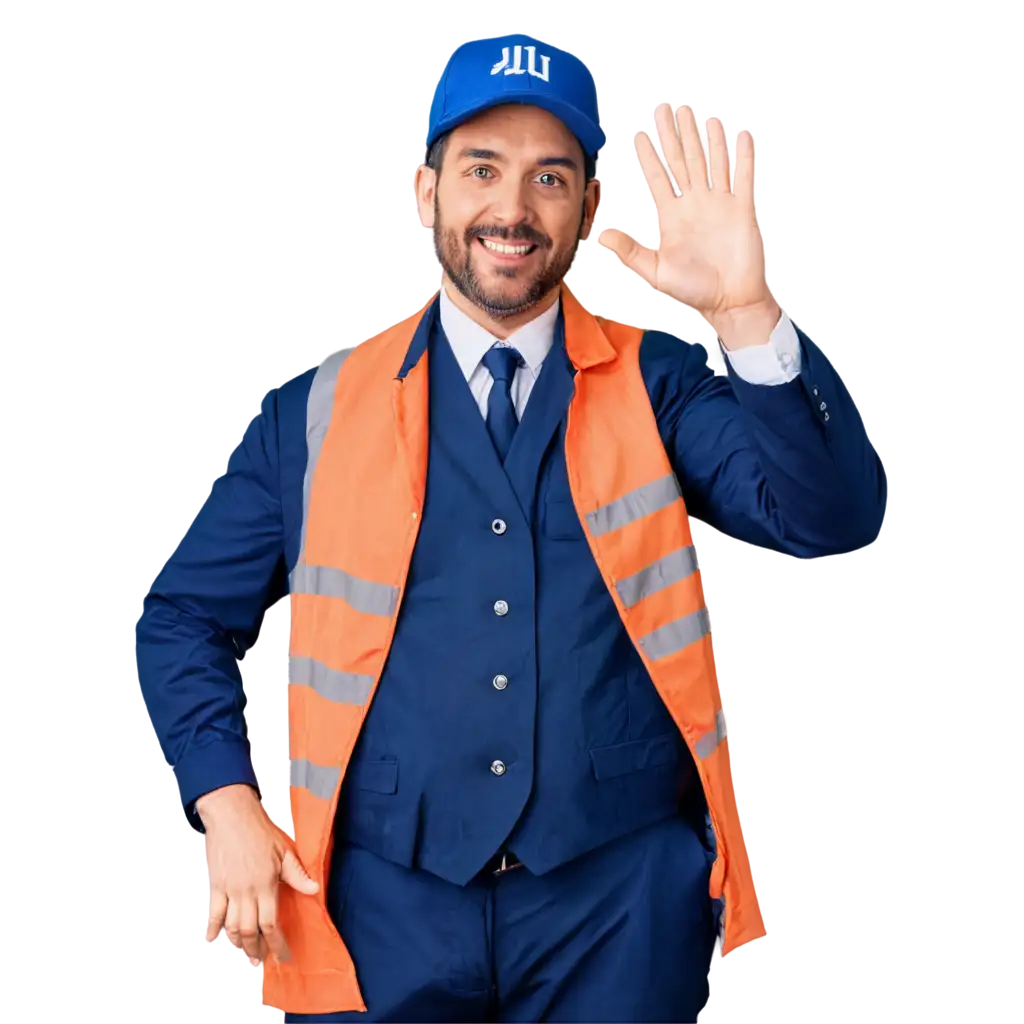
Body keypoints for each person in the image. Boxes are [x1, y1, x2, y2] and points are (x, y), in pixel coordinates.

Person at [132, 31, 882, 1023]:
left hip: (615, 904)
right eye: (481, 169)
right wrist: (223, 799)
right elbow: (178, 615)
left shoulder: (658, 384)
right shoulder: (309, 411)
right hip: (381, 901)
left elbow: (824, 521)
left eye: (550, 178)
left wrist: (745, 311)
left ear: (587, 210)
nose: (512, 210)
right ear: (423, 188)